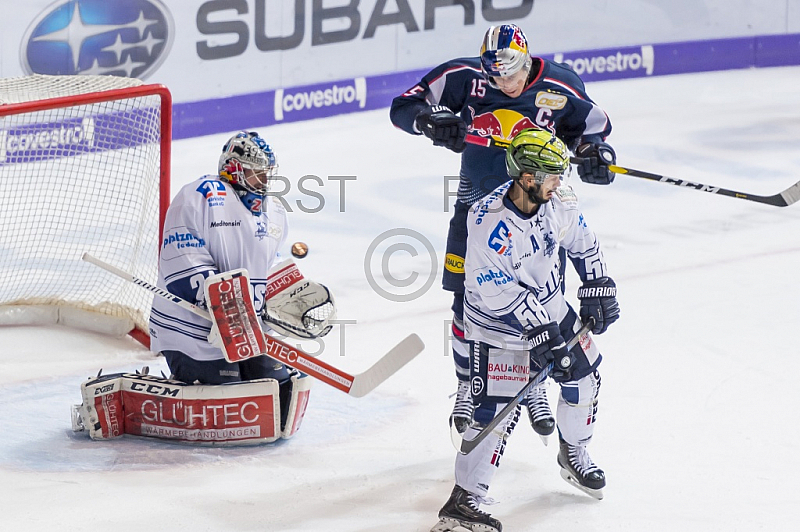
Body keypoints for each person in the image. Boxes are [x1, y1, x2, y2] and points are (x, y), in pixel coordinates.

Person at [389, 24, 616, 439]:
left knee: (539, 302)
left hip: (538, 214)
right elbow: (404, 105)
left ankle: (534, 389)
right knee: (466, 302)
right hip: (475, 211)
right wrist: (430, 121)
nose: (504, 85)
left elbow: (592, 129)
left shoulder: (560, 84)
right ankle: (464, 384)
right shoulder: (465, 77)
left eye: (511, 76)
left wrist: (594, 153)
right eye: (496, 78)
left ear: (526, 61)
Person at [431, 128, 619, 532]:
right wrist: (541, 333)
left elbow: (583, 242)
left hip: (552, 307)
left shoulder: (559, 200)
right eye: (552, 176)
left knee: (585, 381)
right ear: (528, 178)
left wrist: (598, 284)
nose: (559, 182)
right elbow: (497, 292)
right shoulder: (485, 221)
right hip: (498, 325)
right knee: (494, 414)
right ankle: (466, 500)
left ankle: (574, 453)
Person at [148, 131, 334, 430]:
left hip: (247, 333)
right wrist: (224, 304)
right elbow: (182, 265)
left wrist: (283, 298)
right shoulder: (199, 196)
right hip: (193, 333)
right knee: (231, 396)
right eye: (255, 173)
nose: (263, 181)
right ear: (233, 168)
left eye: (266, 174)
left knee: (279, 391)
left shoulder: (274, 212)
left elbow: (268, 268)